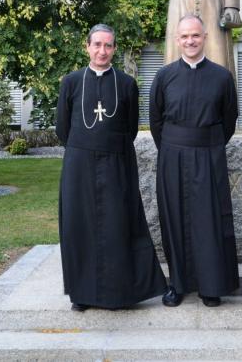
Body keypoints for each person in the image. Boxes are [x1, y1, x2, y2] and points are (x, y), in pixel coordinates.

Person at [56, 23, 167, 311]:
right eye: (97, 45)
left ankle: (120, 293)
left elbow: (130, 128)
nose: (102, 51)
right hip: (79, 165)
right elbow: (62, 129)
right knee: (80, 225)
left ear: (114, 49)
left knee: (118, 225)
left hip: (117, 163)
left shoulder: (127, 84)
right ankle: (82, 294)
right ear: (87, 47)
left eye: (108, 45)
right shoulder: (71, 82)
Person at [149, 14, 239, 308]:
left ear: (205, 38)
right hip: (172, 155)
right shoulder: (164, 76)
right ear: (178, 40)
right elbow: (156, 120)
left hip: (209, 154)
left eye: (196, 35)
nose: (190, 41)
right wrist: (173, 147)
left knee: (209, 219)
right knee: (174, 218)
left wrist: (208, 144)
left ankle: (211, 287)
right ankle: (177, 284)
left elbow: (229, 119)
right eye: (185, 36)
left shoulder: (222, 77)